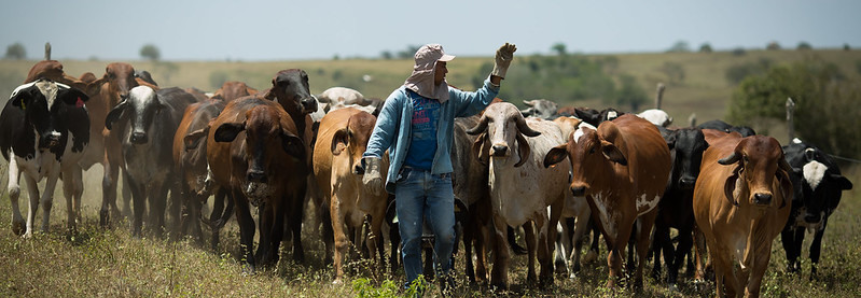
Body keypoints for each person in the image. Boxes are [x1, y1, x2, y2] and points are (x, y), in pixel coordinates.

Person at [361, 42, 516, 291]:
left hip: (440, 178)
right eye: (443, 65)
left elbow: (479, 100)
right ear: (428, 68)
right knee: (409, 238)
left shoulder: (448, 96)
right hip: (408, 179)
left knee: (446, 234)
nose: (446, 71)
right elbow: (381, 133)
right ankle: (415, 285)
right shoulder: (400, 99)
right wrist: (371, 164)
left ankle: (443, 272)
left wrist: (499, 69)